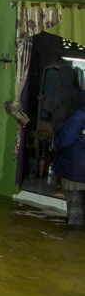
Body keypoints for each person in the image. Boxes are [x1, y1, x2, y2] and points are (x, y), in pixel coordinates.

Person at [52, 89, 85, 229]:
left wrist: (54, 143)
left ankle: (71, 245)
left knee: (75, 218)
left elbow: (66, 139)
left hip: (76, 171)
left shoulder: (79, 115)